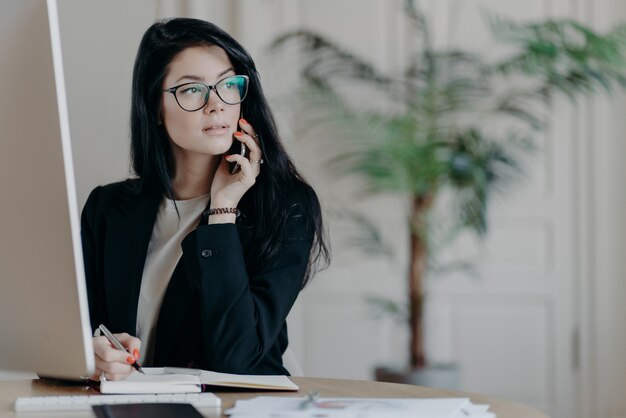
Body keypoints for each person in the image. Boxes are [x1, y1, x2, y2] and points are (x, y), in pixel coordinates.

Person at [80, 17, 329, 381]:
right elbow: (73, 331)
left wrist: (223, 210)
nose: (217, 105)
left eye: (228, 84)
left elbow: (237, 360)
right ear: (154, 109)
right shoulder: (108, 209)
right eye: (192, 90)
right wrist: (90, 352)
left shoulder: (284, 207)